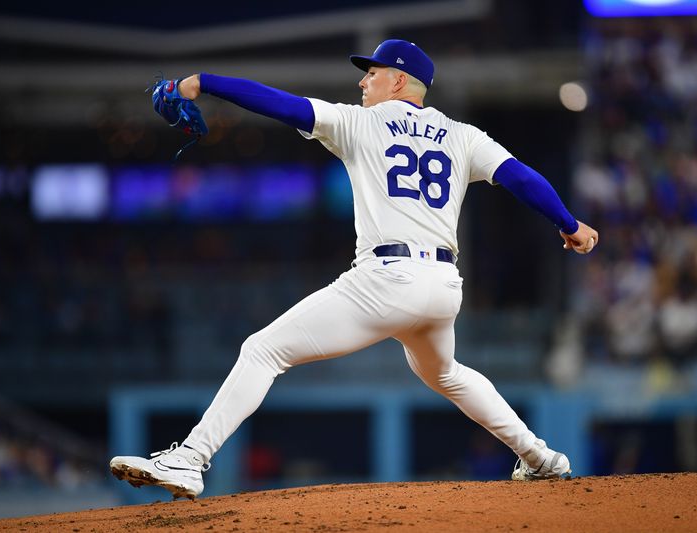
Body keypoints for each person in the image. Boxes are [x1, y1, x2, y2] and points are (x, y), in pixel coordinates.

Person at [110, 39, 599, 499]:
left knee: (262, 351)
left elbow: (280, 103)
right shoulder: (463, 136)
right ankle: (539, 456)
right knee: (445, 373)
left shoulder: (359, 123)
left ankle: (191, 459)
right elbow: (522, 178)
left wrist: (203, 82)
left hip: (387, 279)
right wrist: (569, 222)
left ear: (400, 82)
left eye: (373, 73)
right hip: (444, 287)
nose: (363, 82)